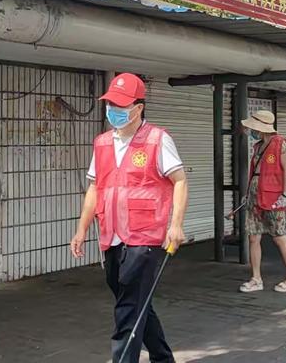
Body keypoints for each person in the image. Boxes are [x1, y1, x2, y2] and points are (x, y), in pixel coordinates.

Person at [70, 73, 188, 363]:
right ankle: (163, 358)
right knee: (135, 304)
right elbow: (94, 188)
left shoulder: (158, 139)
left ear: (138, 107)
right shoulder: (102, 143)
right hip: (111, 235)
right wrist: (81, 230)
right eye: (111, 104)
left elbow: (180, 181)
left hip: (145, 237)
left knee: (127, 310)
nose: (114, 111)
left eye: (121, 106)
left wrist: (176, 225)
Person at [238, 109, 286, 293]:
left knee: (279, 237)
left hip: (274, 197)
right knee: (253, 236)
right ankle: (256, 278)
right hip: (255, 196)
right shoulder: (258, 146)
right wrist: (249, 193)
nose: (251, 131)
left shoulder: (280, 143)